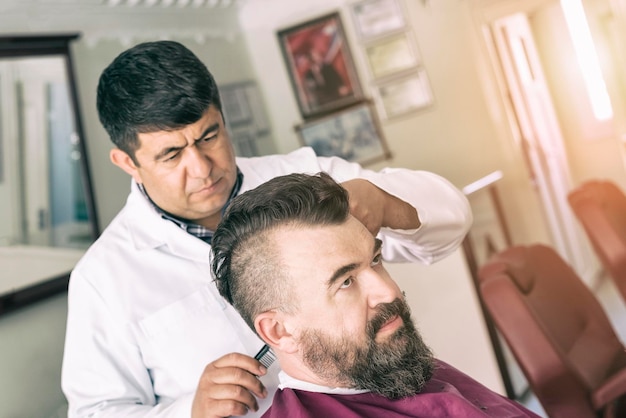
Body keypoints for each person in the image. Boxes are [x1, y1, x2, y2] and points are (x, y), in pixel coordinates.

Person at [61, 40, 472, 418]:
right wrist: (189, 411)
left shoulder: (306, 177)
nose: (202, 168)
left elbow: (452, 218)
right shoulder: (103, 279)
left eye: (209, 135)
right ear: (127, 162)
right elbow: (94, 411)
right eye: (171, 154)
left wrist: (384, 201)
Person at [211, 172, 540, 418]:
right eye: (345, 282)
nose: (388, 292)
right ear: (278, 331)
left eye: (376, 260)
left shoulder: (387, 364)